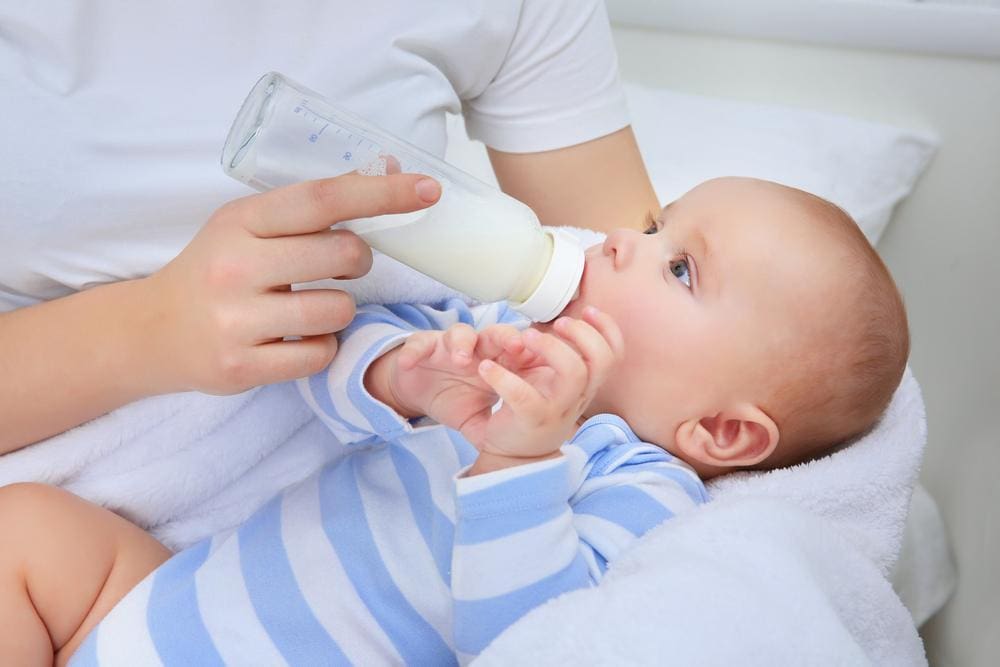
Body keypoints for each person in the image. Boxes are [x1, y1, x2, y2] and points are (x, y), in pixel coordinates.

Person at [0, 177, 910, 664]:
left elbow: (529, 634)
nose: (624, 241)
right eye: (660, 219)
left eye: (680, 268)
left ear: (721, 434)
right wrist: (397, 376)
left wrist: (518, 459)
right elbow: (327, 370)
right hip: (157, 605)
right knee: (26, 529)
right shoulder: (501, 331)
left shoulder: (639, 490)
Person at [0, 0, 659, 453]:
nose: (636, 245)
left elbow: (657, 339)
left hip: (362, 495)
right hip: (64, 483)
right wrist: (148, 329)